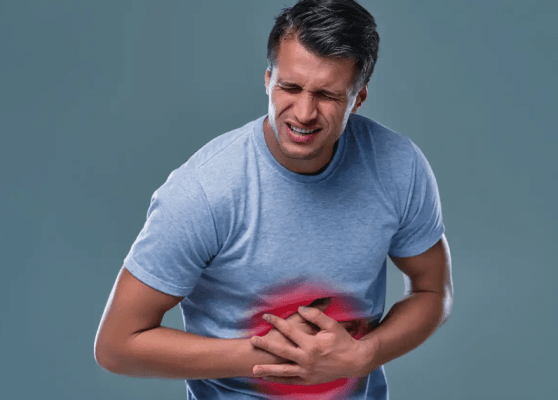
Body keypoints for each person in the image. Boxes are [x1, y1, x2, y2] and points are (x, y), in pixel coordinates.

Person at [94, 0, 454, 399]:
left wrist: (364, 355)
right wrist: (270, 355)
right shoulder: (204, 192)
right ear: (268, 79)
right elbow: (116, 345)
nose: (304, 112)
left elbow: (432, 291)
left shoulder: (399, 165)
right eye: (290, 87)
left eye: (328, 95)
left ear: (358, 98)